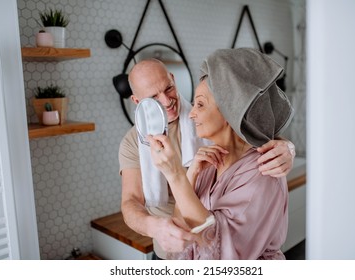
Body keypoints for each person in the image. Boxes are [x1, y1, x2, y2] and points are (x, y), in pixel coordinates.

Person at [119, 57, 295, 260]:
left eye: (168, 88)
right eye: (154, 97)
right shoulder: (133, 143)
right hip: (171, 248)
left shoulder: (207, 123)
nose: (167, 101)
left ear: (173, 79)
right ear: (137, 101)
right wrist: (154, 227)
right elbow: (131, 202)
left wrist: (286, 146)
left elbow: (246, 129)